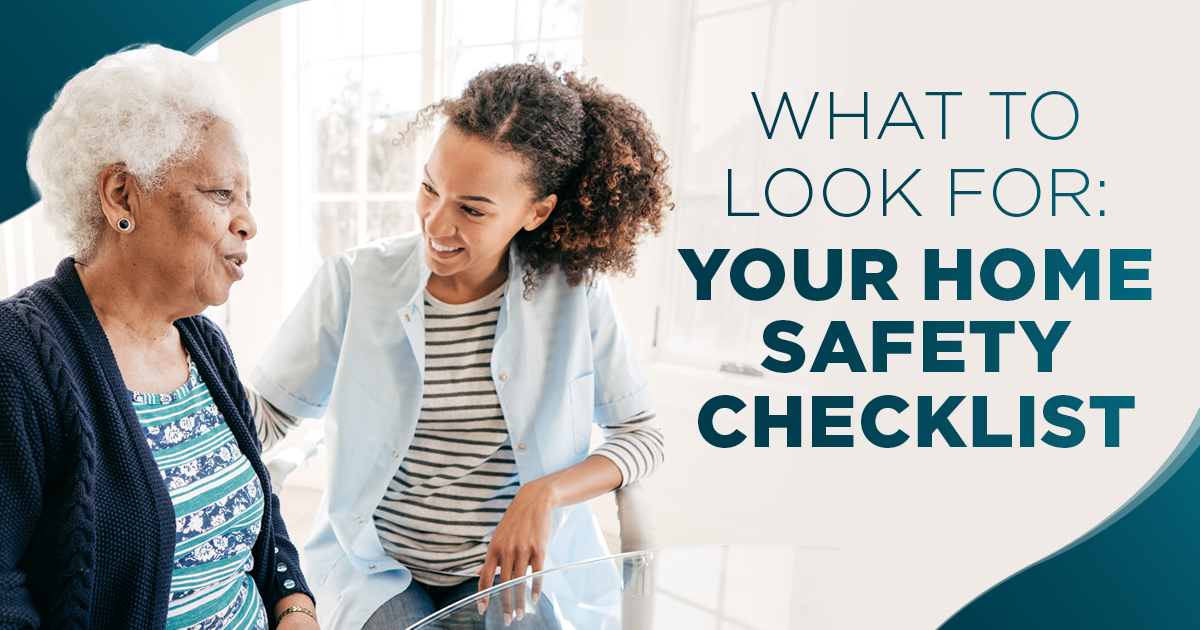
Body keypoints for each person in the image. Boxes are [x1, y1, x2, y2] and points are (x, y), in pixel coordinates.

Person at [247, 61, 673, 629]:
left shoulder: (574, 294)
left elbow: (642, 435)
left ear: (536, 211)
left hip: (515, 577)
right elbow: (268, 414)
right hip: (380, 571)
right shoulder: (354, 281)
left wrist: (543, 494)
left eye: (472, 209)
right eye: (429, 187)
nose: (435, 224)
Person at [0, 45, 318, 630]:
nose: (248, 221)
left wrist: (295, 607)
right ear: (122, 196)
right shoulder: (17, 357)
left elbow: (261, 514)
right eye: (222, 194)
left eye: (247, 198)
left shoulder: (203, 342)